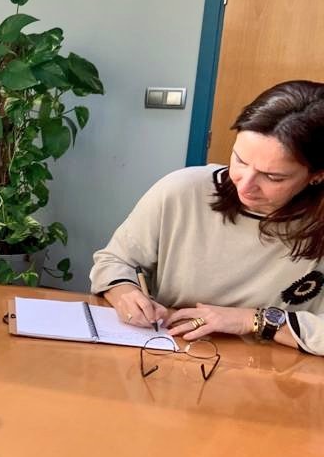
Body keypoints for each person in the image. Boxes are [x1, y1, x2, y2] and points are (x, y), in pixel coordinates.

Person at [91, 80, 324, 354]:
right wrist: (126, 294)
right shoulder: (183, 191)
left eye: (273, 176)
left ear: (317, 175)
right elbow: (114, 260)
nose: (245, 185)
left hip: (277, 373)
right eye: (240, 160)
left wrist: (253, 320)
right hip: (170, 354)